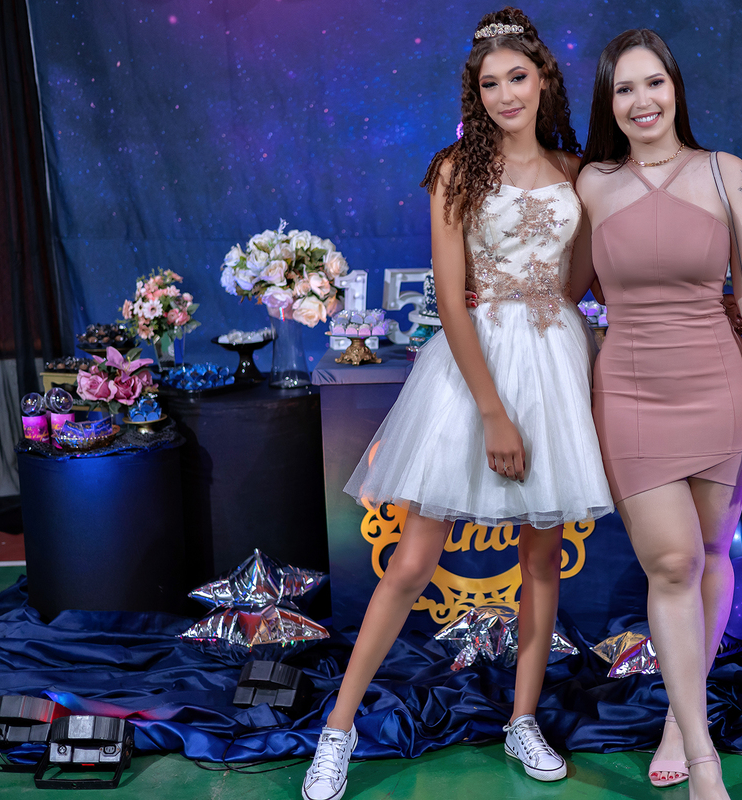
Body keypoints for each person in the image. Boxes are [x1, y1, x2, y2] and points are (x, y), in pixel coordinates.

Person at [302, 8, 613, 800]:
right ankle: (337, 731)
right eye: (490, 83)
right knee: (412, 561)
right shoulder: (455, 170)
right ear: (476, 94)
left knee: (541, 559)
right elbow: (449, 298)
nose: (507, 93)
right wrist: (493, 410)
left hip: (553, 360)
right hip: (472, 369)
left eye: (518, 76)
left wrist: (547, 308)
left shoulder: (577, 171)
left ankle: (523, 719)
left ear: (543, 80)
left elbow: (578, 279)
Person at [577, 29, 742, 800]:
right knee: (673, 563)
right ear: (609, 103)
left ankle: (679, 719)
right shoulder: (591, 184)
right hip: (630, 390)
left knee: (712, 553)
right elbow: (560, 286)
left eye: (653, 83)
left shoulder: (725, 172)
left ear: (675, 88)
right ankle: (705, 758)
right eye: (624, 89)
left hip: (720, 383)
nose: (642, 101)